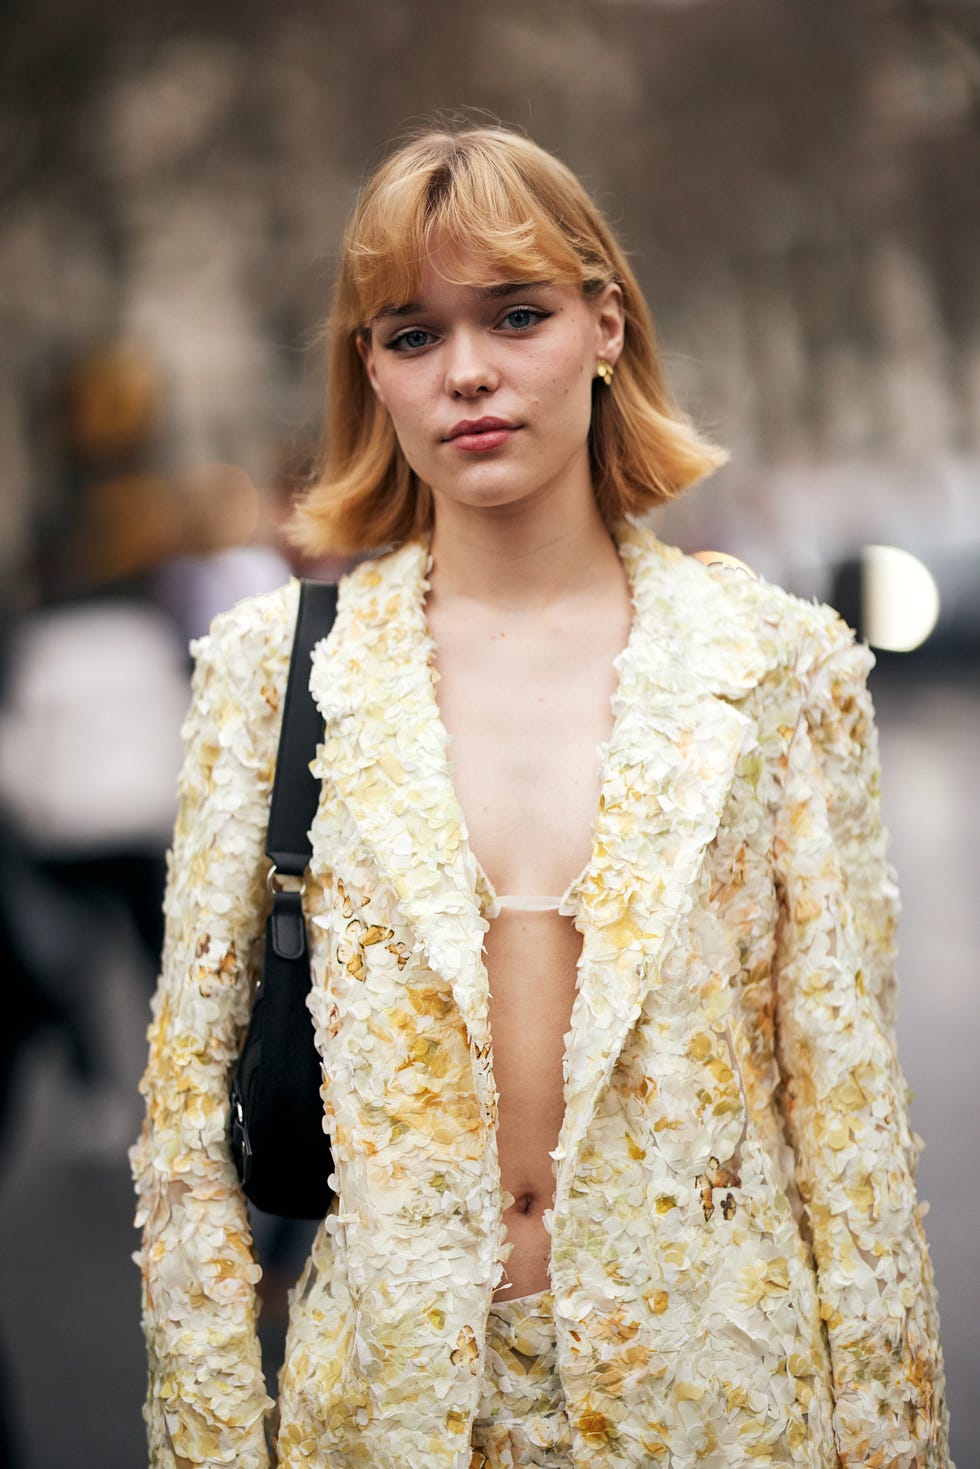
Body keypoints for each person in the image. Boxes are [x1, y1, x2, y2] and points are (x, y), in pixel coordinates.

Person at [131, 122, 951, 1469]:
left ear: (605, 324)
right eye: (411, 334)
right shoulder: (271, 677)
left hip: (720, 1414)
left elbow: (850, 1131)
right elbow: (186, 1150)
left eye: (515, 315)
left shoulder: (777, 666)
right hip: (385, 1422)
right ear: (371, 372)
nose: (467, 372)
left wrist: (895, 1445)